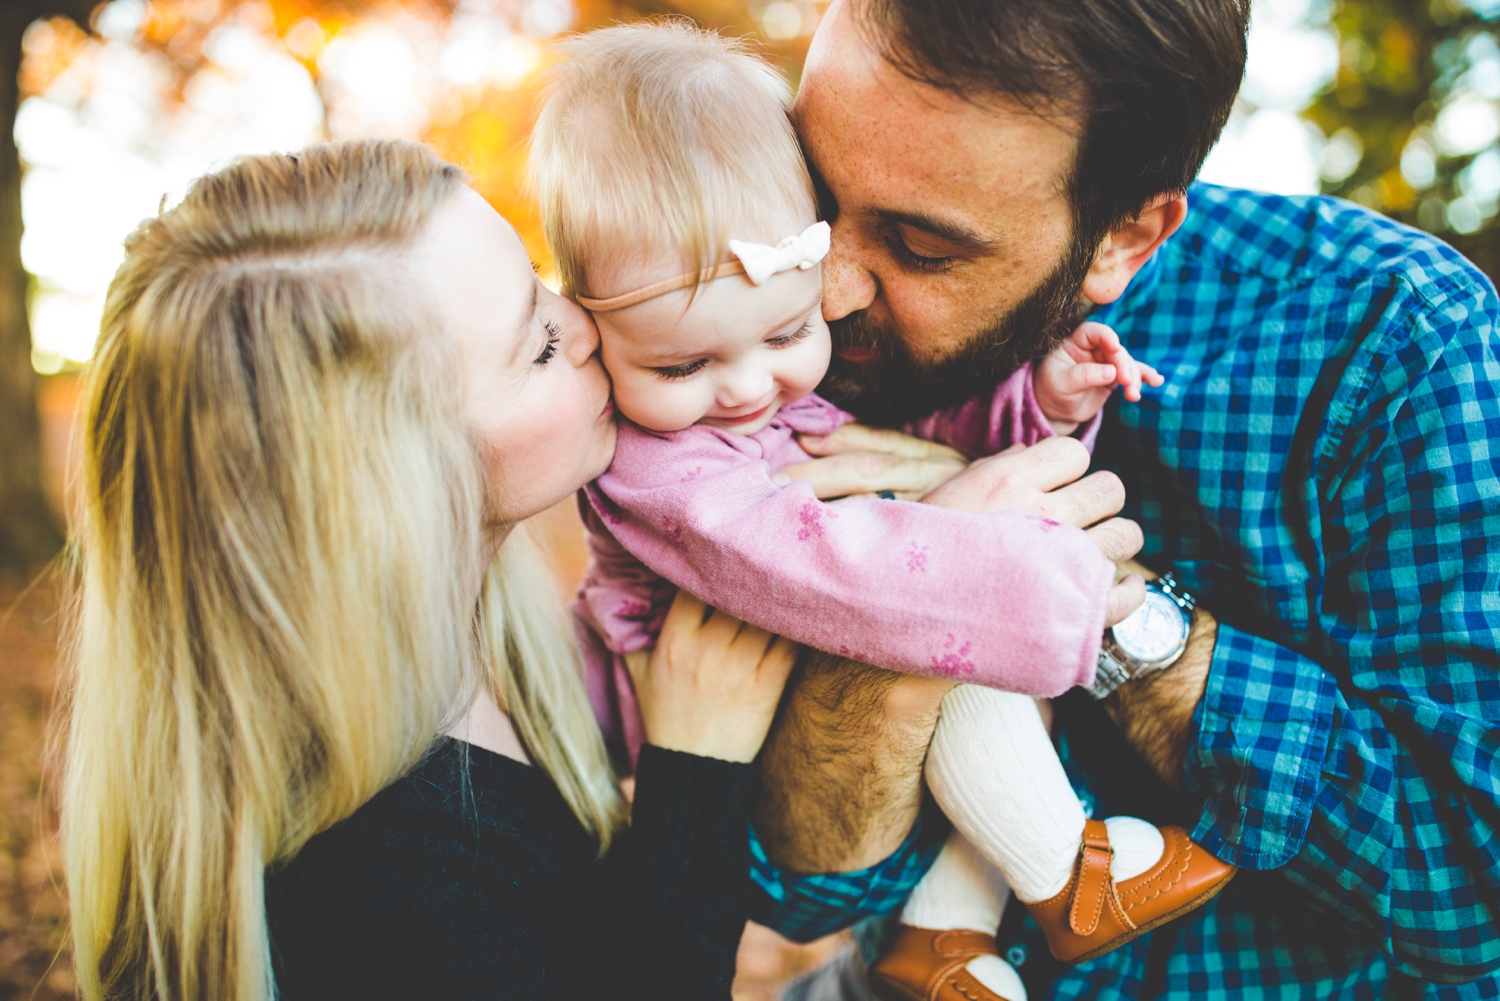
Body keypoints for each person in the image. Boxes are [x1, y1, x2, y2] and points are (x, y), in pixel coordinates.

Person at [749, 0, 1500, 999]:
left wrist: (1092, 596)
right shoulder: (755, 322)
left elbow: (1472, 892)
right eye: (814, 198)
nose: (829, 291)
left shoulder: (1396, 340)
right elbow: (799, 886)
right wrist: (923, 593)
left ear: (1127, 235)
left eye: (923, 246)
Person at [527, 22, 1231, 1001]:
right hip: (680, 686)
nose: (745, 390)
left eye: (786, 331)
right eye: (682, 365)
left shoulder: (760, 371)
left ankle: (942, 937)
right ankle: (1064, 866)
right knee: (955, 641)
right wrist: (1015, 565)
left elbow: (919, 434)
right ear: (592, 323)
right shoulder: (656, 469)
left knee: (952, 648)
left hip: (796, 649)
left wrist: (1040, 404)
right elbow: (817, 563)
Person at [58, 138, 800, 1001]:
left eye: (541, 278)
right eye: (538, 348)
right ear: (393, 490)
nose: (586, 324)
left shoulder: (472, 656)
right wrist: (693, 773)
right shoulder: (382, 889)